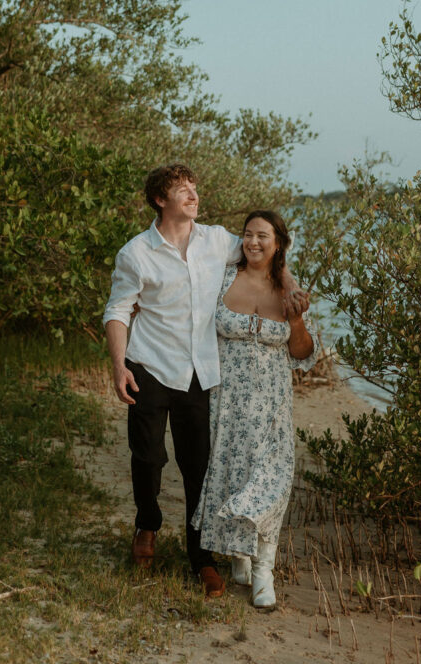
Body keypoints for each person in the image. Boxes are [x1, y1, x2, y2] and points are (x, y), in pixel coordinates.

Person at [102, 163, 242, 598]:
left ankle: (202, 557)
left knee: (198, 465)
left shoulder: (218, 240)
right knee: (147, 457)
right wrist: (119, 365)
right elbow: (118, 310)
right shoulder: (136, 253)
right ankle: (147, 524)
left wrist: (289, 288)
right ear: (160, 200)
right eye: (181, 189)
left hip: (200, 372)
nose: (192, 194)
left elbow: (264, 250)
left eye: (194, 187)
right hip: (149, 365)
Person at [191, 210, 319, 611]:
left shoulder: (289, 295)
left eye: (263, 235)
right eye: (248, 234)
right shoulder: (223, 276)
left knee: (272, 482)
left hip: (272, 406)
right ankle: (240, 556)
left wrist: (296, 322)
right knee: (235, 475)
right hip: (226, 401)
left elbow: (303, 353)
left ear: (278, 242)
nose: (253, 242)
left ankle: (265, 569)